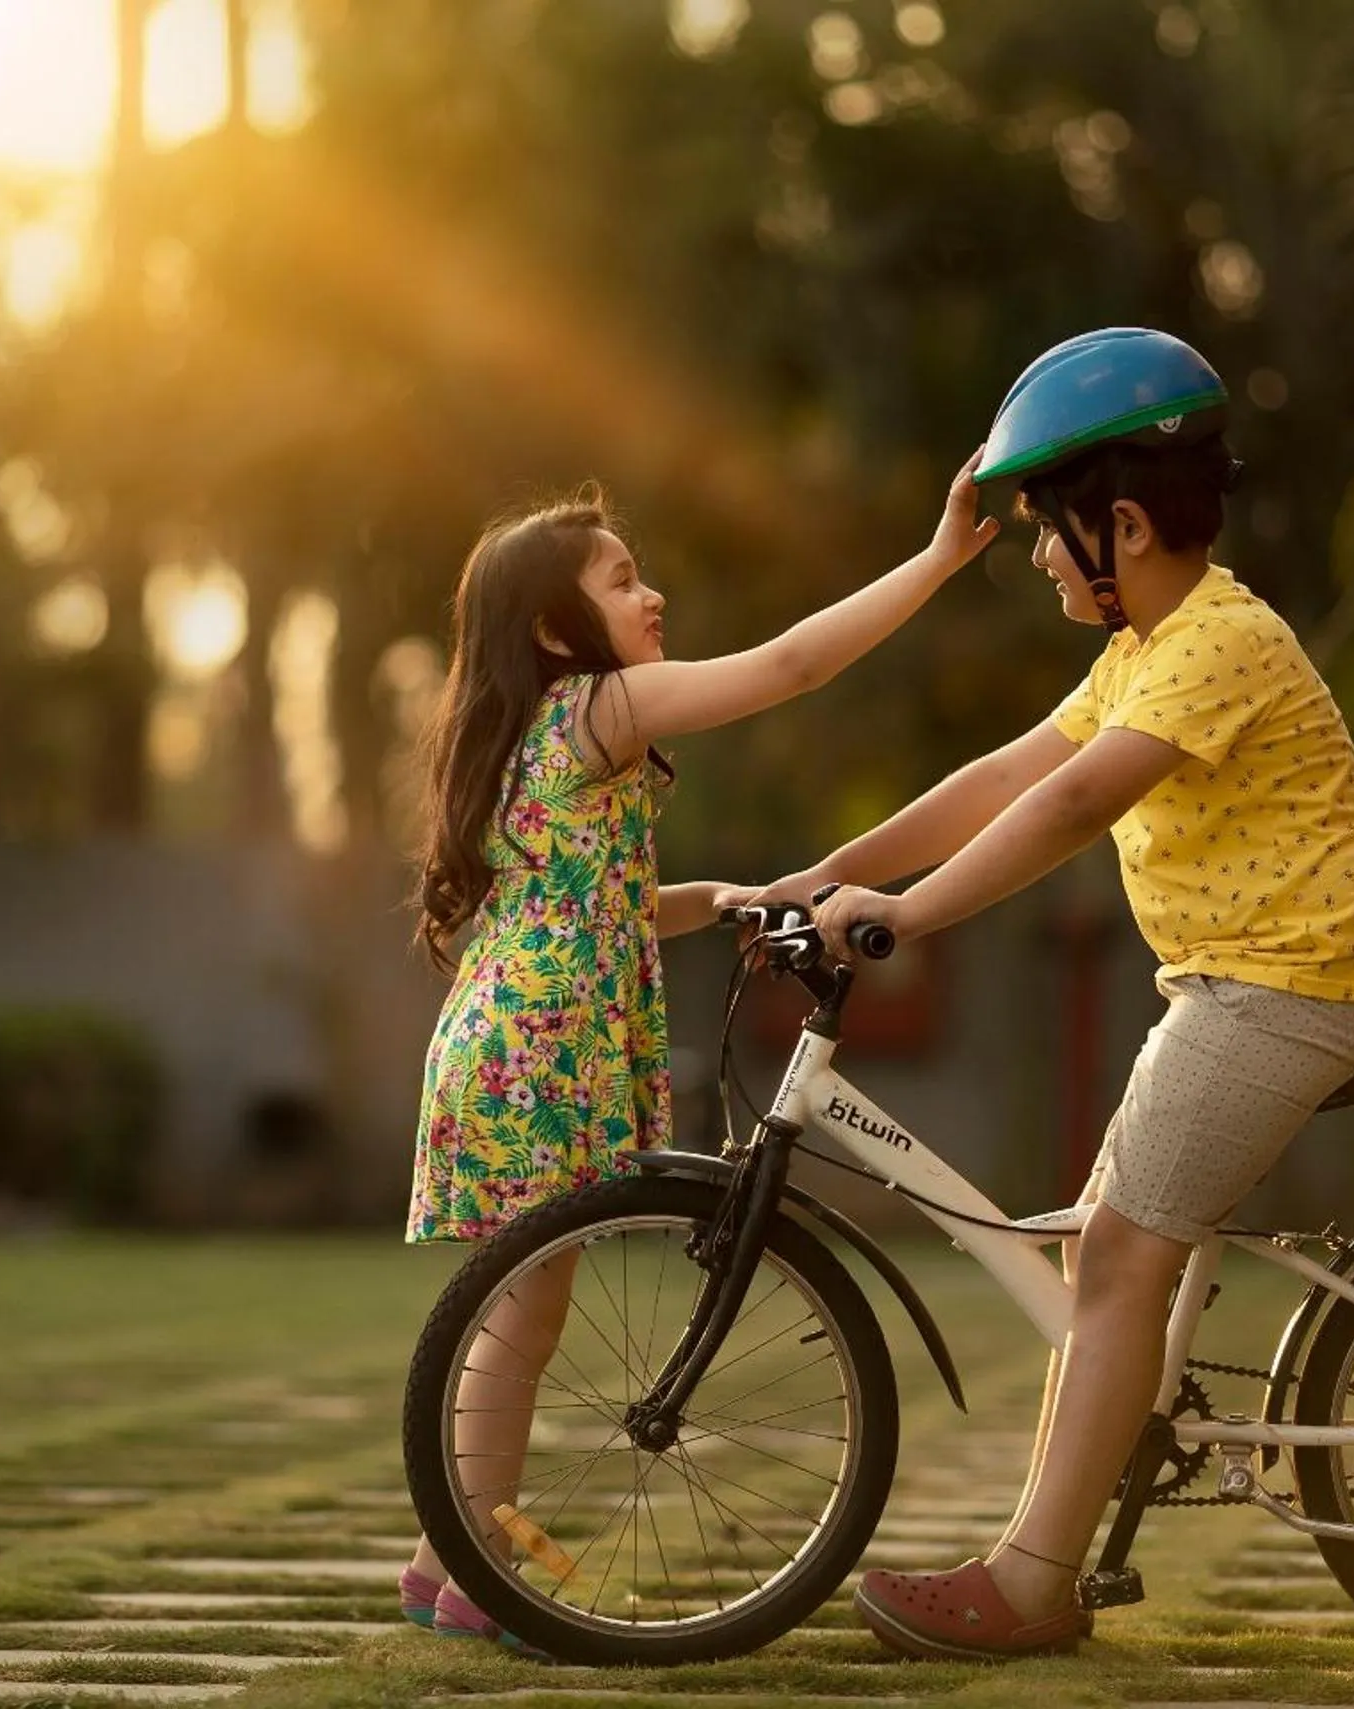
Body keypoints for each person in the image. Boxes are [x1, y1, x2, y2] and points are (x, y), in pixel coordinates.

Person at [753, 328, 1354, 1660]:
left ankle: (1030, 1582)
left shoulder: (1217, 639)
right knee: (1099, 1255)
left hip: (1285, 993)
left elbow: (1068, 803)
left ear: (1123, 522)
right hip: (1233, 990)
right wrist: (833, 870)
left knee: (1111, 1257)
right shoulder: (1147, 645)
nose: (1042, 557)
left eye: (1053, 531)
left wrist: (909, 914)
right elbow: (1004, 771)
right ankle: (1070, 1516)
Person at [399, 455, 1002, 1651]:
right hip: (547, 1041)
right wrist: (935, 560)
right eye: (623, 582)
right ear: (552, 626)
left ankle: (440, 1559)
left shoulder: (531, 730)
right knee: (525, 1313)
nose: (651, 596)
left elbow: (591, 897)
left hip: (507, 1030)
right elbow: (791, 667)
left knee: (520, 1305)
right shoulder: (598, 707)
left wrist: (718, 896)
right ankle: (480, 1570)